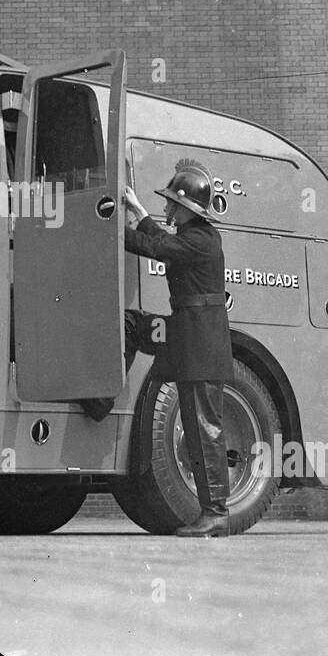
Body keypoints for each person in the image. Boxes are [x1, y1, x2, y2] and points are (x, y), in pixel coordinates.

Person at [121, 160, 236, 537]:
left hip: (199, 344)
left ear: (188, 207)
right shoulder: (196, 238)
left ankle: (216, 511)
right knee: (199, 426)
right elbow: (165, 242)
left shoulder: (200, 239)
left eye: (172, 203)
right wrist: (139, 216)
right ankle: (212, 509)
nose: (167, 209)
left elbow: (159, 248)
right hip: (191, 338)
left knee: (205, 430)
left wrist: (115, 231)